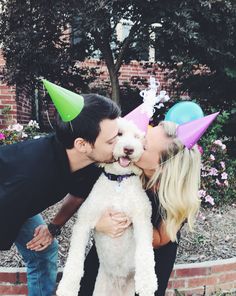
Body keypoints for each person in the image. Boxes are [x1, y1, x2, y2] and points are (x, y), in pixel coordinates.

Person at [29, 118, 206, 296]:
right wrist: (97, 222)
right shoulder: (117, 167)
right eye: (142, 136)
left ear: (162, 165)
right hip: (107, 253)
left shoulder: (176, 197)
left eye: (144, 146)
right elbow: (80, 196)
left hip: (144, 262)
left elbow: (160, 240)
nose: (135, 143)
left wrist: (129, 216)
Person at [0, 87, 121, 296]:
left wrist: (53, 228)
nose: (120, 144)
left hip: (18, 201)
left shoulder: (92, 162)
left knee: (44, 251)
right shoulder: (30, 178)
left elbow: (77, 195)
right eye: (112, 141)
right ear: (82, 144)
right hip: (8, 200)